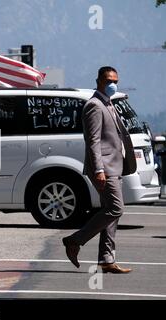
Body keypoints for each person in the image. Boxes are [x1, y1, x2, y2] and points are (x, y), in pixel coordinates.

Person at [62, 66, 137, 274]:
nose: (112, 84)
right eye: (108, 80)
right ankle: (74, 240)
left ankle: (106, 259)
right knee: (115, 208)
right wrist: (98, 170)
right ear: (98, 82)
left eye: (115, 80)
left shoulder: (109, 103)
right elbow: (93, 141)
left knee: (112, 213)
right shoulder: (94, 105)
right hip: (104, 168)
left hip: (115, 166)